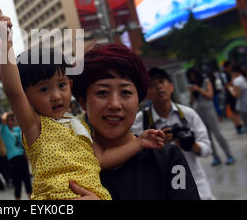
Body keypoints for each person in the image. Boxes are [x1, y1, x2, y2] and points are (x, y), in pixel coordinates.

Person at [0, 11, 164, 200]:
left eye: (61, 85)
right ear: (26, 98)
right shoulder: (35, 125)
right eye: (44, 90)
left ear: (70, 85)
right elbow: (13, 92)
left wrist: (140, 143)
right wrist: (5, 42)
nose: (56, 96)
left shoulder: (79, 125)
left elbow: (100, 159)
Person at [70, 43, 200, 200]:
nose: (115, 104)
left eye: (126, 92)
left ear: (138, 101)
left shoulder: (168, 159)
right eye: (102, 92)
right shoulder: (69, 165)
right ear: (83, 101)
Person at [132, 67, 214, 200]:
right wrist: (158, 146)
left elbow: (207, 148)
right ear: (146, 93)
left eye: (162, 82)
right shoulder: (139, 121)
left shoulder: (188, 114)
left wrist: (190, 144)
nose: (159, 87)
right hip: (160, 189)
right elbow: (134, 157)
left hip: (197, 185)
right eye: (152, 85)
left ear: (171, 86)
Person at [186, 67, 236, 166]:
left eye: (193, 75)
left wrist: (199, 89)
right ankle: (215, 157)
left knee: (217, 134)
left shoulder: (206, 81)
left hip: (208, 110)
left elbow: (210, 95)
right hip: (198, 112)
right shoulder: (192, 85)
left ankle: (229, 155)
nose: (192, 78)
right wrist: (192, 91)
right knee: (207, 136)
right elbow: (191, 101)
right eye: (190, 76)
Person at [0, 112, 33, 200]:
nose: (11, 122)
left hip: (22, 157)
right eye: (9, 121)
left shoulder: (17, 130)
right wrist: (9, 113)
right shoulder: (4, 131)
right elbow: (3, 118)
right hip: (13, 159)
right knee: (17, 182)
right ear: (6, 122)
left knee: (27, 180)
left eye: (12, 120)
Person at [221, 60, 246, 134]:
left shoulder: (237, 79)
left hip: (239, 99)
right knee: (233, 112)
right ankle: (238, 126)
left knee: (235, 112)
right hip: (231, 97)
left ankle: (239, 126)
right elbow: (226, 86)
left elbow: (237, 95)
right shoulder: (225, 75)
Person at [228, 64, 247, 128]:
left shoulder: (237, 81)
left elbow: (237, 95)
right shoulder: (243, 78)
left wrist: (230, 89)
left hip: (243, 105)